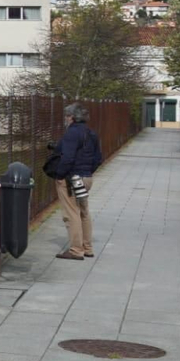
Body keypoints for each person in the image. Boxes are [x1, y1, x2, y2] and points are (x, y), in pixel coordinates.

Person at [53, 103, 102, 261]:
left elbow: (67, 158)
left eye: (67, 116)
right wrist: (88, 171)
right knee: (84, 212)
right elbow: (98, 158)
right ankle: (87, 248)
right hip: (86, 177)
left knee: (71, 213)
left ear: (72, 117)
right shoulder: (91, 133)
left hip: (71, 178)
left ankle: (75, 250)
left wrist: (59, 175)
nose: (66, 119)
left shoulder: (71, 133)